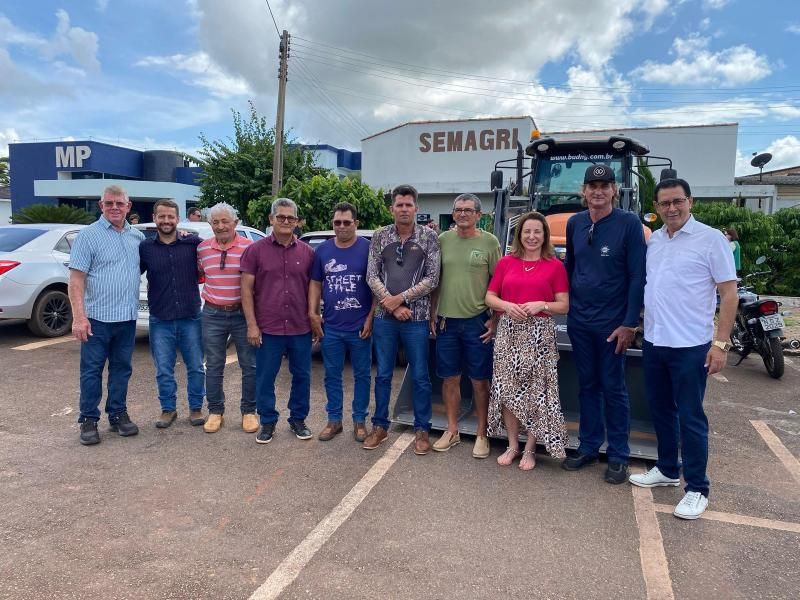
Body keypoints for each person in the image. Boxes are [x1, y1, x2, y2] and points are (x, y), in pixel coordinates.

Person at [629, 178, 737, 520]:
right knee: (661, 410)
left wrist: (720, 343)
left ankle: (697, 488)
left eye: (678, 201)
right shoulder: (656, 240)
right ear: (657, 208)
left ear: (690, 202)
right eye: (665, 203)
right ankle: (666, 469)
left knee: (691, 417)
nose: (671, 208)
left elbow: (729, 294)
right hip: (656, 342)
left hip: (691, 346)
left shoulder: (710, 240)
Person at [561, 164, 646, 484]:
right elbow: (571, 267)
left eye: (605, 185)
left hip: (612, 324)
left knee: (613, 387)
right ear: (583, 191)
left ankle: (619, 455)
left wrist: (630, 323)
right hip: (580, 320)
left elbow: (638, 276)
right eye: (592, 186)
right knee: (587, 385)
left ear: (614, 190)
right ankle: (588, 447)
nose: (598, 191)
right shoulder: (575, 223)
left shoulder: (628, 223)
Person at [485, 212, 570, 470]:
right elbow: (490, 297)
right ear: (519, 235)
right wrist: (508, 306)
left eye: (537, 232)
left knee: (537, 393)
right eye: (527, 232)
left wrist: (542, 304)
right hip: (509, 330)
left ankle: (530, 449)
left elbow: (564, 304)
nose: (532, 236)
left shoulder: (555, 266)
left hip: (539, 333)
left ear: (544, 236)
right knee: (508, 390)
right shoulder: (506, 262)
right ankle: (512, 445)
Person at [365, 184, 440, 455]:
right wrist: (391, 303)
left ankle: (422, 429)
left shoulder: (429, 237)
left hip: (417, 318)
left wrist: (402, 298)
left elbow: (432, 278)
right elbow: (371, 275)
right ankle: (380, 426)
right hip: (385, 318)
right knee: (383, 374)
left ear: (416, 208)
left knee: (420, 376)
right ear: (392, 208)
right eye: (400, 204)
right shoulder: (380, 236)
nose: (404, 209)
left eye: (409, 205)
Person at [69, 185, 144, 445]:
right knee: (91, 371)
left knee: (122, 370)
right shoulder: (88, 236)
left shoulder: (137, 237)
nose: (114, 207)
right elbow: (76, 279)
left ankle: (118, 414)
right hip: (97, 319)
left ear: (128, 206)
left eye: (119, 203)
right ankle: (88, 420)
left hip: (127, 318)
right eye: (109, 203)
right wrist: (79, 317)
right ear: (101, 206)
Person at [430, 193, 501, 458]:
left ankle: (482, 434)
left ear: (478, 215)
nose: (462, 214)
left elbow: (498, 284)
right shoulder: (443, 240)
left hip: (477, 322)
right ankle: (452, 430)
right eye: (458, 209)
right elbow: (437, 280)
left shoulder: (490, 242)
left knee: (480, 381)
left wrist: (494, 320)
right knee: (450, 379)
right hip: (447, 321)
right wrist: (432, 312)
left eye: (468, 210)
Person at [241, 198, 316, 444]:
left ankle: (298, 419)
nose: (286, 222)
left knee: (302, 376)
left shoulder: (307, 253)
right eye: (281, 217)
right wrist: (252, 324)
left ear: (297, 221)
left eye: (290, 218)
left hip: (299, 327)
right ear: (271, 219)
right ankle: (268, 422)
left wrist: (314, 319)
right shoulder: (255, 251)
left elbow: (315, 289)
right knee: (265, 377)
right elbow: (246, 290)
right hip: (268, 328)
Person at [308, 202, 375, 442]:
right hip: (332, 328)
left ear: (356, 224)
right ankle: (334, 421)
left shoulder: (368, 249)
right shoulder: (323, 251)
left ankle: (359, 421)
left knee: (362, 376)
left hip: (360, 328)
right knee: (332, 375)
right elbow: (315, 284)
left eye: (347, 222)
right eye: (338, 222)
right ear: (333, 224)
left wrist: (370, 318)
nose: (342, 226)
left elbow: (376, 287)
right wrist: (313, 314)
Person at [139, 199, 205, 428]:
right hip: (160, 318)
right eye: (162, 216)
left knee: (196, 366)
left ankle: (196, 408)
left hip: (190, 316)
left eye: (171, 217)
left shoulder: (193, 243)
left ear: (178, 219)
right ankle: (168, 409)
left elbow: (218, 250)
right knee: (164, 369)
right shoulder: (145, 248)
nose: (166, 221)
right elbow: (131, 272)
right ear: (155, 218)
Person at [197, 202, 257, 434]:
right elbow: (199, 273)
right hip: (212, 313)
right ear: (210, 224)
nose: (221, 226)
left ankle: (249, 412)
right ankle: (215, 411)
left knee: (249, 365)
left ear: (235, 223)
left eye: (225, 221)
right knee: (213, 366)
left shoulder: (249, 247)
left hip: (242, 313)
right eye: (215, 222)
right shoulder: (201, 249)